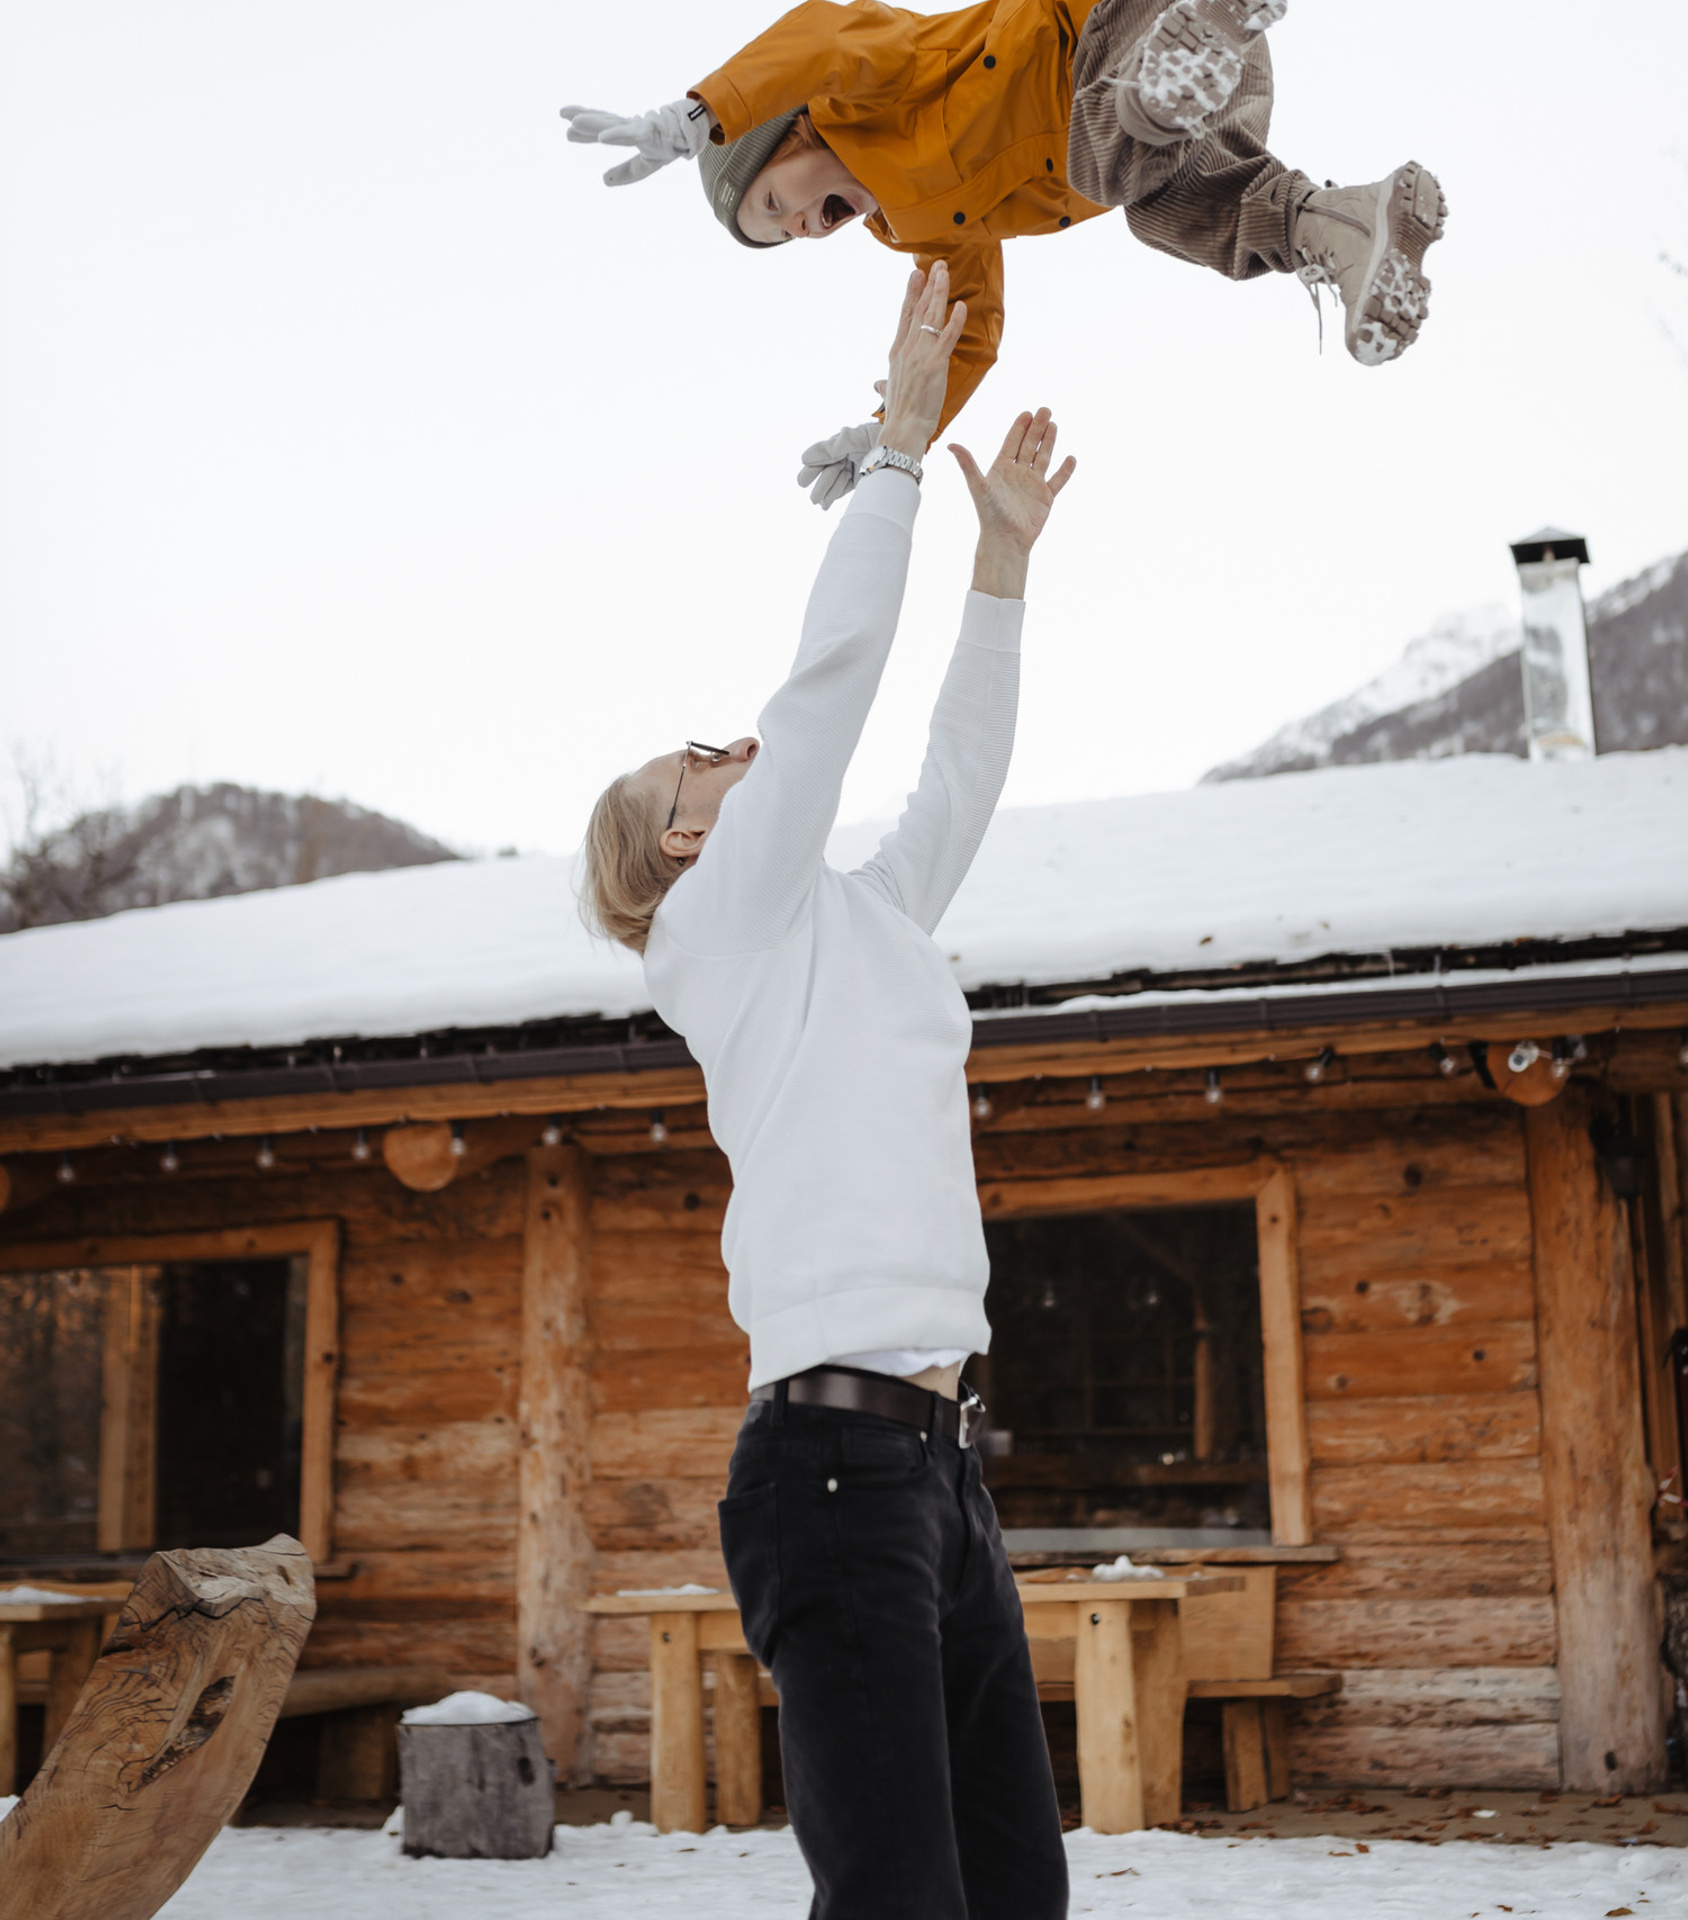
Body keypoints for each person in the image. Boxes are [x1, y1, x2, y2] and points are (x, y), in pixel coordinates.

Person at [581, 260, 1075, 1920]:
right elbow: (830, 697)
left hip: (940, 1467)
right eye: (703, 756)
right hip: (833, 1474)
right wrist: (893, 456)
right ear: (675, 841)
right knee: (903, 1904)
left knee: (1014, 1896)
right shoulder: (717, 930)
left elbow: (956, 777)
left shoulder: (848, 922)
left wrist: (998, 564)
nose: (740, 755)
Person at [563, 0, 1445, 504]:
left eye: (771, 203)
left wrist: (699, 112)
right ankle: (1349, 229)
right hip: (1215, 64)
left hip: (1112, 26)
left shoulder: (870, 85)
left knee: (1107, 162)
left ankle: (1160, 89)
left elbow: (821, 38)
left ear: (785, 130)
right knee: (1174, 210)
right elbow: (971, 329)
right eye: (780, 238)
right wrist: (893, 430)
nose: (796, 229)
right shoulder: (922, 231)